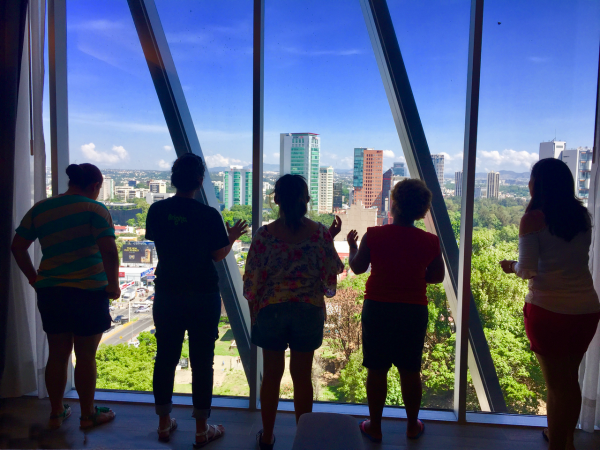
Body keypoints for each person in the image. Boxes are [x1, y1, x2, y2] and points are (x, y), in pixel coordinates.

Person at [145, 153, 247, 447]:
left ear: (173, 179)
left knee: (165, 357)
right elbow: (217, 255)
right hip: (202, 294)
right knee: (203, 361)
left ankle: (163, 424)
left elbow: (162, 243)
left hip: (168, 292)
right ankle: (202, 429)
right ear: (200, 181)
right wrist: (231, 237)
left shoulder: (157, 210)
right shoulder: (208, 215)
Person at [500, 158, 600, 450]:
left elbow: (527, 270)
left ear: (538, 184)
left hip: (549, 311)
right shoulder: (582, 216)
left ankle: (558, 445)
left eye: (531, 178)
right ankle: (567, 439)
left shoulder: (533, 219)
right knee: (570, 380)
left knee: (556, 386)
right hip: (586, 309)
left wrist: (510, 266)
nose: (528, 183)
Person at [11, 163, 119, 429]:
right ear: (95, 186)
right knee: (86, 355)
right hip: (89, 292)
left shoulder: (41, 208)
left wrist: (34, 278)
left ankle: (56, 412)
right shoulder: (95, 209)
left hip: (52, 292)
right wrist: (114, 285)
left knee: (58, 354)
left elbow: (18, 247)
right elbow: (109, 251)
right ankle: (87, 415)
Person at [243, 174, 344, 450]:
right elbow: (332, 270)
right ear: (306, 199)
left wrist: (255, 313)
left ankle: (267, 437)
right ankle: (303, 437)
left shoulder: (264, 235)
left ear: (276, 199)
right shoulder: (320, 233)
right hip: (307, 310)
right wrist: (328, 239)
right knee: (302, 377)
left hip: (271, 310)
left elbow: (251, 280)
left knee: (271, 376)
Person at [348, 178, 444, 442]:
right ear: (422, 210)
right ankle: (412, 426)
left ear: (394, 204)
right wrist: (413, 274)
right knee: (410, 370)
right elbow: (437, 276)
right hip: (413, 310)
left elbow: (357, 268)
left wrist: (352, 247)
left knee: (377, 369)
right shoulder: (430, 241)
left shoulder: (374, 235)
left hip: (378, 308)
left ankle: (375, 427)